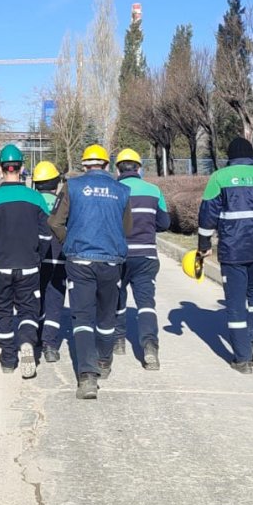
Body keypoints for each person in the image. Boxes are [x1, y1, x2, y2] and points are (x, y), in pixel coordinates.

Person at [47, 144, 133, 400]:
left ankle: (87, 377)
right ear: (107, 165)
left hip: (80, 260)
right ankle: (104, 360)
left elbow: (54, 222)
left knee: (82, 318)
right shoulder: (123, 190)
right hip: (111, 260)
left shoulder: (72, 187)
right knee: (106, 316)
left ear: (85, 165)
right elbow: (126, 229)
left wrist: (68, 240)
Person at [196, 137, 253, 374]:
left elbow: (207, 215)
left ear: (230, 156)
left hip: (233, 250)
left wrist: (204, 243)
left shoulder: (220, 177)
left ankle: (242, 358)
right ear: (252, 155)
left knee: (235, 303)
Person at [0, 145, 51, 378]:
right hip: (29, 263)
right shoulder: (36, 198)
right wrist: (39, 256)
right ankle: (27, 341)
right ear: (22, 168)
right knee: (28, 307)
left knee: (3, 309)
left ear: (0, 168)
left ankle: (8, 358)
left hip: (1, 265)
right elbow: (46, 235)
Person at [113, 148, 171, 371]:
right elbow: (164, 223)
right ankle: (150, 347)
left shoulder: (114, 190)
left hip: (119, 255)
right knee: (146, 303)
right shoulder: (154, 191)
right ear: (139, 168)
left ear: (117, 169)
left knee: (117, 296)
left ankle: (118, 341)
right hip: (146, 255)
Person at [32, 161, 67, 363]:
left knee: (37, 297)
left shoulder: (32, 201)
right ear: (56, 182)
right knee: (55, 299)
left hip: (35, 259)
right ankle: (50, 345)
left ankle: (35, 335)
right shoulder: (62, 203)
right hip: (58, 259)